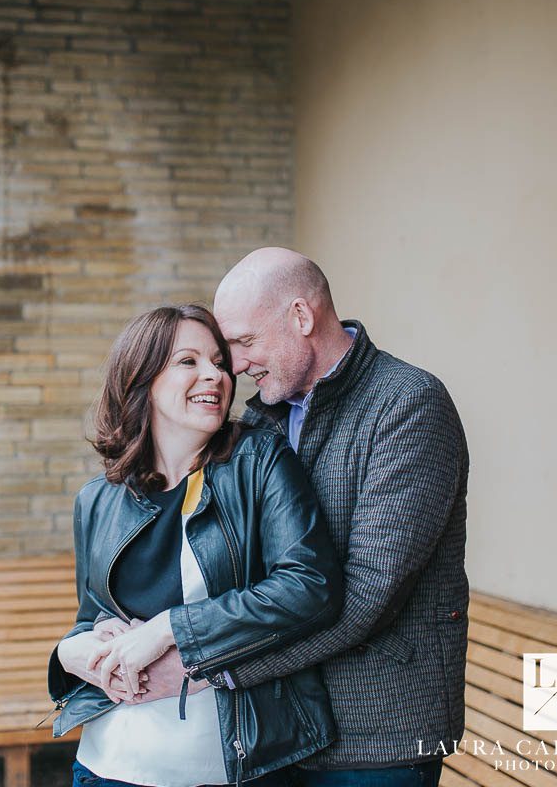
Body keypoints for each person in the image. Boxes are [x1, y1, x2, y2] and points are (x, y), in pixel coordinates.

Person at [177, 247, 467, 786]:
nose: (235, 365)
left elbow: (366, 598)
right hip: (280, 728)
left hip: (379, 737)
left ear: (302, 317)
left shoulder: (408, 404)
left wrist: (220, 670)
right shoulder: (260, 419)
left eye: (244, 341)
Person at [47, 304, 344, 787]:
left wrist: (170, 628)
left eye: (220, 362)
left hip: (228, 762)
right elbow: (94, 618)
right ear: (141, 379)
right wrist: (68, 655)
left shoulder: (259, 461)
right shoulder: (96, 500)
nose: (216, 376)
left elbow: (308, 585)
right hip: (107, 763)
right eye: (189, 361)